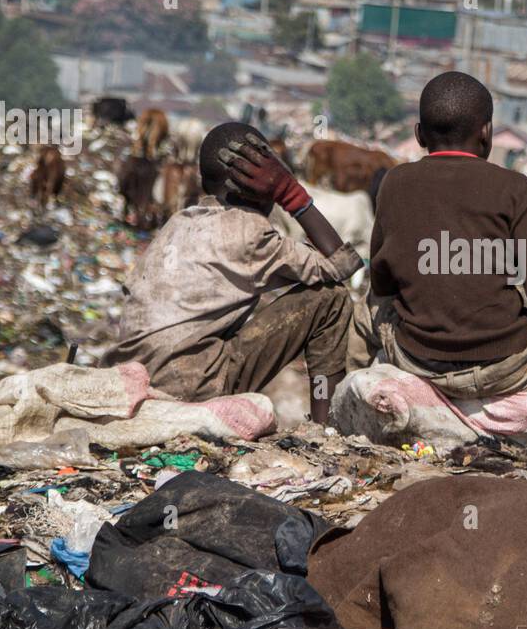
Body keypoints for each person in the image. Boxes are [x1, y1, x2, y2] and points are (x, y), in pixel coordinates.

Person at [350, 70, 527, 461]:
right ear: (485, 133)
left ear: (419, 135)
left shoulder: (395, 183)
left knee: (362, 313)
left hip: (416, 357)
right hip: (507, 366)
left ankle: (339, 423)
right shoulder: (515, 189)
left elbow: (382, 283)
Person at [103, 122, 361, 422]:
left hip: (132, 377)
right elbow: (342, 264)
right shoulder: (249, 232)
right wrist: (292, 194)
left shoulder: (177, 223)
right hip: (191, 383)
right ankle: (326, 425)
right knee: (331, 299)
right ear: (261, 182)